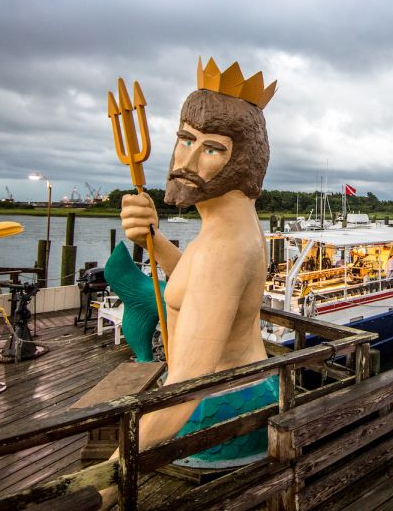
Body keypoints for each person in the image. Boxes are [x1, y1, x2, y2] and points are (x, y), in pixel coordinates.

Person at [105, 58, 278, 478]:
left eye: (212, 149)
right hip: (241, 392)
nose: (187, 159)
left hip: (216, 412)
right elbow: (196, 281)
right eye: (185, 139)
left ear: (243, 162)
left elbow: (186, 386)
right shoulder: (228, 227)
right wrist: (153, 238)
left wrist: (109, 474)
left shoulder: (223, 248)